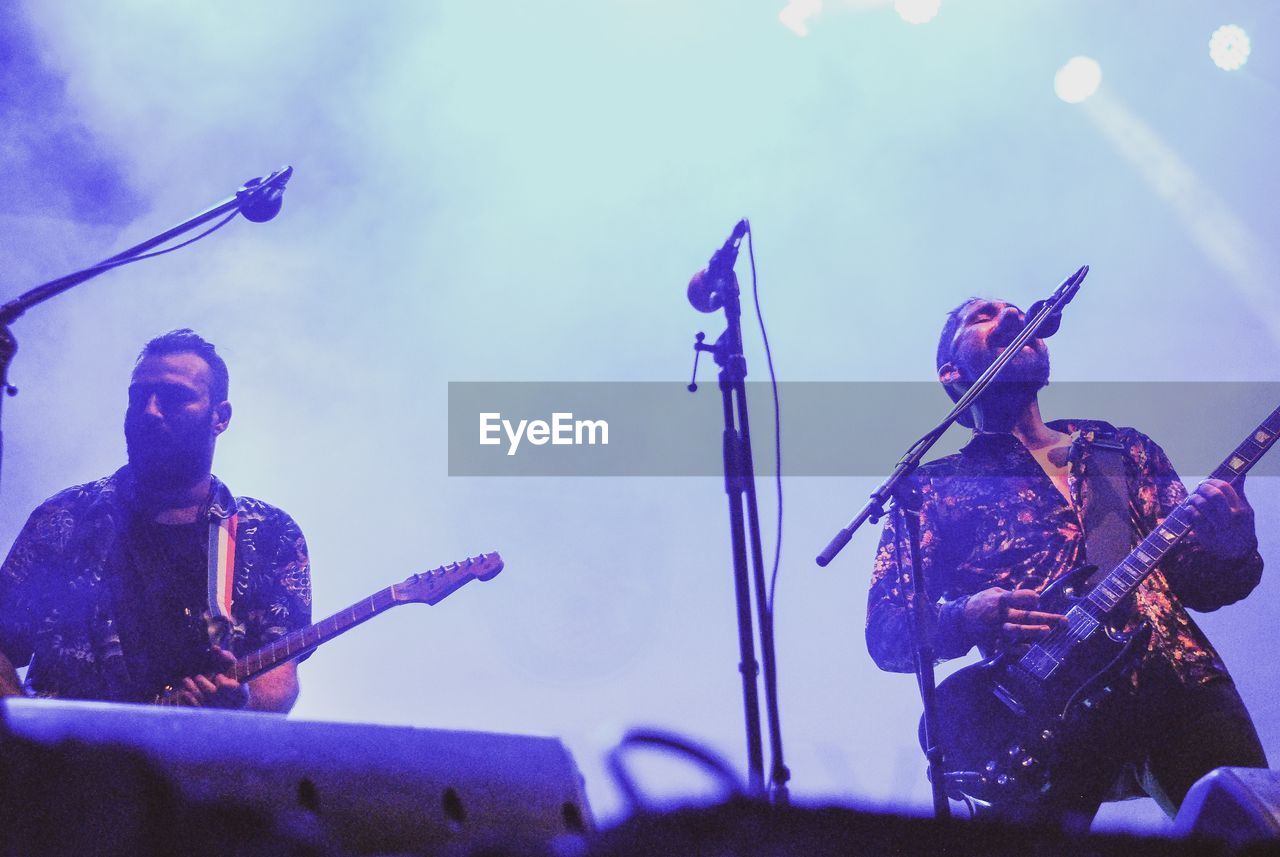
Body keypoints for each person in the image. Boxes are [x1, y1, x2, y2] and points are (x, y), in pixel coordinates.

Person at [866, 297, 1267, 822]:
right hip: (1036, 718)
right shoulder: (934, 486)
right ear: (951, 371)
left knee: (1252, 831)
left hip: (1175, 679)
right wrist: (965, 615)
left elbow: (1202, 585)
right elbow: (887, 632)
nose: (1011, 316)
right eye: (983, 317)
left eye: (1016, 311)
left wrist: (1233, 543)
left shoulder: (1121, 450)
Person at [0, 330, 310, 712]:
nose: (149, 411)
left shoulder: (268, 533)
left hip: (193, 767)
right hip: (64, 762)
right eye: (138, 397)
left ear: (220, 417)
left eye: (174, 398)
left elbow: (278, 683)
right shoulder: (65, 517)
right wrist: (23, 742)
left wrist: (236, 706)